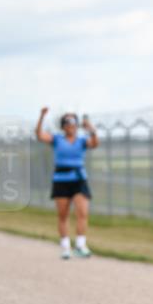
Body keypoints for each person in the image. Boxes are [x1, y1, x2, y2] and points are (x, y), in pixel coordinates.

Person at [35, 108, 99, 259]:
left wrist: (91, 129)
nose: (71, 125)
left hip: (78, 179)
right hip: (61, 181)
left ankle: (80, 245)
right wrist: (41, 117)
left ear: (77, 125)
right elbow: (39, 135)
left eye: (73, 122)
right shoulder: (57, 139)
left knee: (82, 212)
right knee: (63, 215)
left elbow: (95, 143)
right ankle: (65, 247)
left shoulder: (82, 141)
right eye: (67, 122)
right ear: (63, 125)